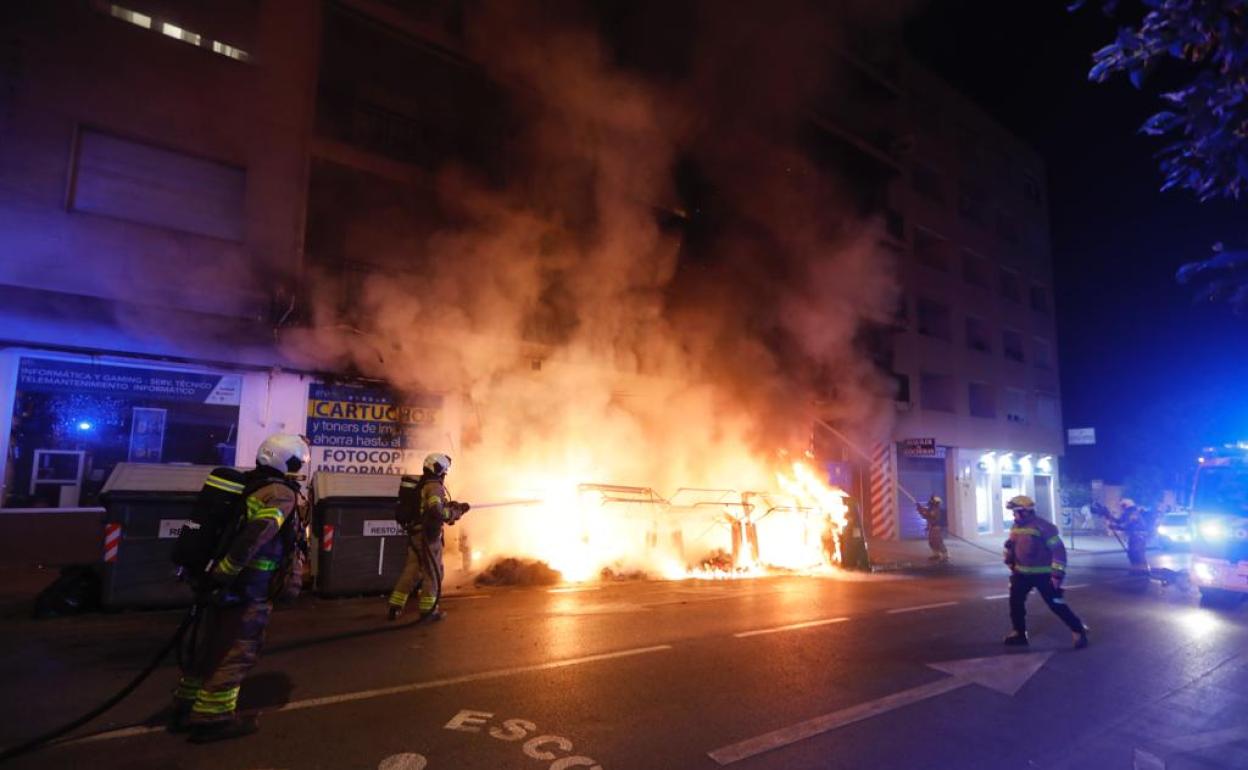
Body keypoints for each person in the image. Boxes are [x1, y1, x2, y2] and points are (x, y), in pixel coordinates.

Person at [171, 433, 310, 742]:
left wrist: (212, 575)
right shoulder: (279, 494)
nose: (299, 467)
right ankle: (213, 717)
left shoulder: (248, 486)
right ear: (286, 461)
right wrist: (226, 573)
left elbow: (194, 526)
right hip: (246, 587)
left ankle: (185, 703)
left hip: (215, 583)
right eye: (297, 461)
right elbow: (256, 536)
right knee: (238, 649)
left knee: (208, 644)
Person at [388, 452, 469, 621]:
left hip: (415, 533)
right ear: (438, 468)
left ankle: (395, 606)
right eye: (444, 470)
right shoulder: (434, 486)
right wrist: (455, 512)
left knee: (411, 570)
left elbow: (429, 506)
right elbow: (436, 511)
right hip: (428, 536)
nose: (445, 473)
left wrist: (452, 506)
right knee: (433, 572)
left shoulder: (422, 484)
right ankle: (429, 610)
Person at [1002, 495, 1089, 649]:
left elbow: (1059, 552)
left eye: (1015, 512)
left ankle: (1078, 630)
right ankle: (1019, 633)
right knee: (1015, 603)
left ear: (1025, 512)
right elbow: (1013, 546)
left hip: (1044, 575)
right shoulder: (1016, 526)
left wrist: (1057, 576)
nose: (1013, 515)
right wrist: (1010, 558)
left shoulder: (1044, 527)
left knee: (1056, 604)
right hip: (1021, 574)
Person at [1110, 498, 1153, 576]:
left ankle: (1143, 570)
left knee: (1137, 553)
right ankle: (1136, 569)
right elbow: (1120, 521)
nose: (1122, 508)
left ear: (1126, 506)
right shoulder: (1128, 513)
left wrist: (1116, 527)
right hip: (1134, 536)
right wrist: (1110, 518)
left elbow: (1127, 525)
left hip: (1138, 536)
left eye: (1123, 506)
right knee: (1132, 553)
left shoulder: (1133, 513)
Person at [917, 494, 948, 563]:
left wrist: (920, 509)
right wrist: (920, 508)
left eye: (931, 501)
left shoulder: (936, 510)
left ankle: (945, 555)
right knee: (931, 542)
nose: (930, 503)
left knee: (938, 542)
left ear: (934, 503)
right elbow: (926, 514)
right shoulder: (932, 509)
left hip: (937, 528)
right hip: (932, 527)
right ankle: (936, 554)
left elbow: (927, 515)